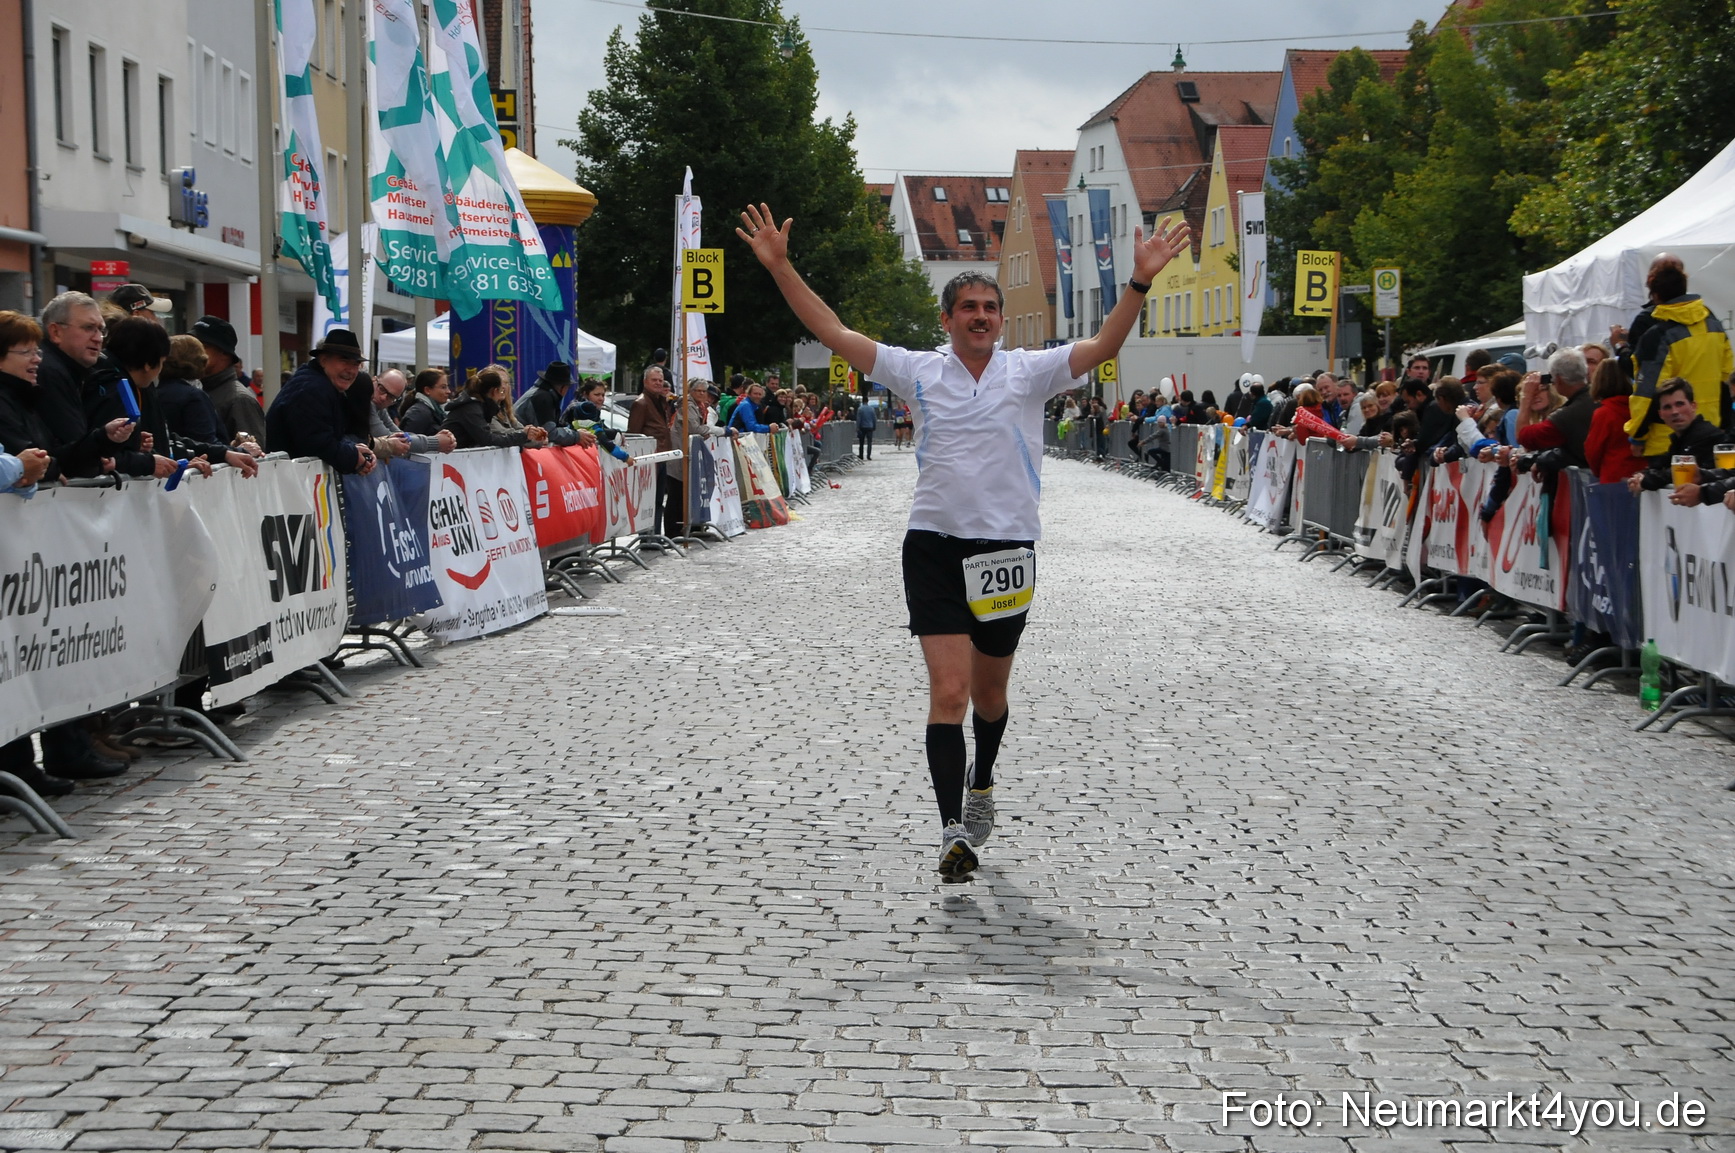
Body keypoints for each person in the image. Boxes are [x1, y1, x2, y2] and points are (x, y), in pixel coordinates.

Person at [738, 199, 1189, 879]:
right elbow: (831, 330)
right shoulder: (915, 369)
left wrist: (1139, 282)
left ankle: (983, 782)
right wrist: (779, 266)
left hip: (1006, 550)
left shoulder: (1028, 372)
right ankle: (953, 827)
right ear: (947, 320)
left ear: (999, 321)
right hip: (933, 546)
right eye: (968, 308)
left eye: (989, 307)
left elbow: (1102, 348)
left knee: (989, 697)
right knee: (947, 693)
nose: (980, 316)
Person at [1625, 262, 1733, 461]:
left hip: (1668, 440)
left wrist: (1637, 436)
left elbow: (1647, 393)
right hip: (1710, 431)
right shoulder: (1713, 325)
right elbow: (1726, 380)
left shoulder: (1657, 336)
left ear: (1655, 295)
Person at [265, 329, 381, 474]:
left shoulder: (319, 384)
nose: (351, 370)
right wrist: (354, 457)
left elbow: (326, 437)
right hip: (288, 480)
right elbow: (317, 443)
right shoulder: (313, 389)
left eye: (356, 364)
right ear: (324, 360)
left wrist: (353, 450)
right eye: (344, 361)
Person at [1627, 378, 1726, 495]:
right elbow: (1661, 466)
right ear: (1661, 414)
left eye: (1680, 404)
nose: (1675, 411)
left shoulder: (1706, 435)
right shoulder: (1679, 438)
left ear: (1693, 406)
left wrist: (1644, 481)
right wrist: (1642, 476)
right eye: (1667, 407)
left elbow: (1679, 470)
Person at [192, 315, 267, 448]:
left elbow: (253, 455)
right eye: (192, 345)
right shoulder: (198, 389)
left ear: (224, 353)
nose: (194, 352)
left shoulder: (239, 400)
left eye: (202, 346)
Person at [1516, 348, 1594, 468]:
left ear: (1558, 379)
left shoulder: (1566, 415)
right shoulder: (1598, 396)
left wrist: (1526, 396)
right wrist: (1542, 461)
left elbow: (1524, 437)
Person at [628, 365, 680, 536]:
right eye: (654, 380)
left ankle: (656, 535)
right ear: (645, 382)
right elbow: (634, 434)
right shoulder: (641, 403)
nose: (658, 383)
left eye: (660, 380)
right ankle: (647, 537)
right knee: (648, 501)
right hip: (649, 458)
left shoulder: (660, 400)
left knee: (658, 500)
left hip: (661, 456)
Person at [442, 367, 549, 450]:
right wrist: (524, 435)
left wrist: (531, 434)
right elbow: (488, 439)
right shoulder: (472, 408)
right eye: (502, 389)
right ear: (495, 391)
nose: (505, 391)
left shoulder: (480, 406)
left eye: (507, 384)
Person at [1582, 358, 1643, 484]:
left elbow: (1593, 451)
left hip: (1613, 477)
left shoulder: (1603, 413)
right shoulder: (1640, 409)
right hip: (1641, 476)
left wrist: (1598, 472)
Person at [370, 368, 455, 457]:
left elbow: (398, 434)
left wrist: (436, 440)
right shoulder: (419, 412)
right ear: (374, 380)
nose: (383, 397)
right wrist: (436, 442)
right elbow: (389, 437)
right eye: (381, 389)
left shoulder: (378, 407)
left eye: (391, 397)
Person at [569, 379, 631, 462]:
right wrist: (626, 458)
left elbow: (600, 429)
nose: (601, 398)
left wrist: (617, 432)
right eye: (597, 395)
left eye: (603, 395)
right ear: (585, 394)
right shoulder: (580, 410)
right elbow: (600, 434)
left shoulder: (593, 410)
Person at [514, 360, 572, 428]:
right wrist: (577, 435)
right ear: (563, 387)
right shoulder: (543, 398)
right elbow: (549, 432)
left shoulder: (540, 392)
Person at [398, 369, 451, 436]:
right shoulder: (419, 413)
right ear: (427, 390)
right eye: (443, 387)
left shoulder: (434, 411)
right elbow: (409, 442)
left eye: (447, 386)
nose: (448, 391)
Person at [853, 393, 877, 459]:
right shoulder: (872, 409)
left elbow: (859, 419)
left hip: (862, 427)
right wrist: (874, 426)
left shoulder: (860, 409)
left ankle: (861, 455)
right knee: (869, 442)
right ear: (868, 401)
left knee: (861, 442)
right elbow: (874, 418)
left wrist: (857, 428)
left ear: (862, 401)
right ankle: (868, 455)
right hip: (870, 427)